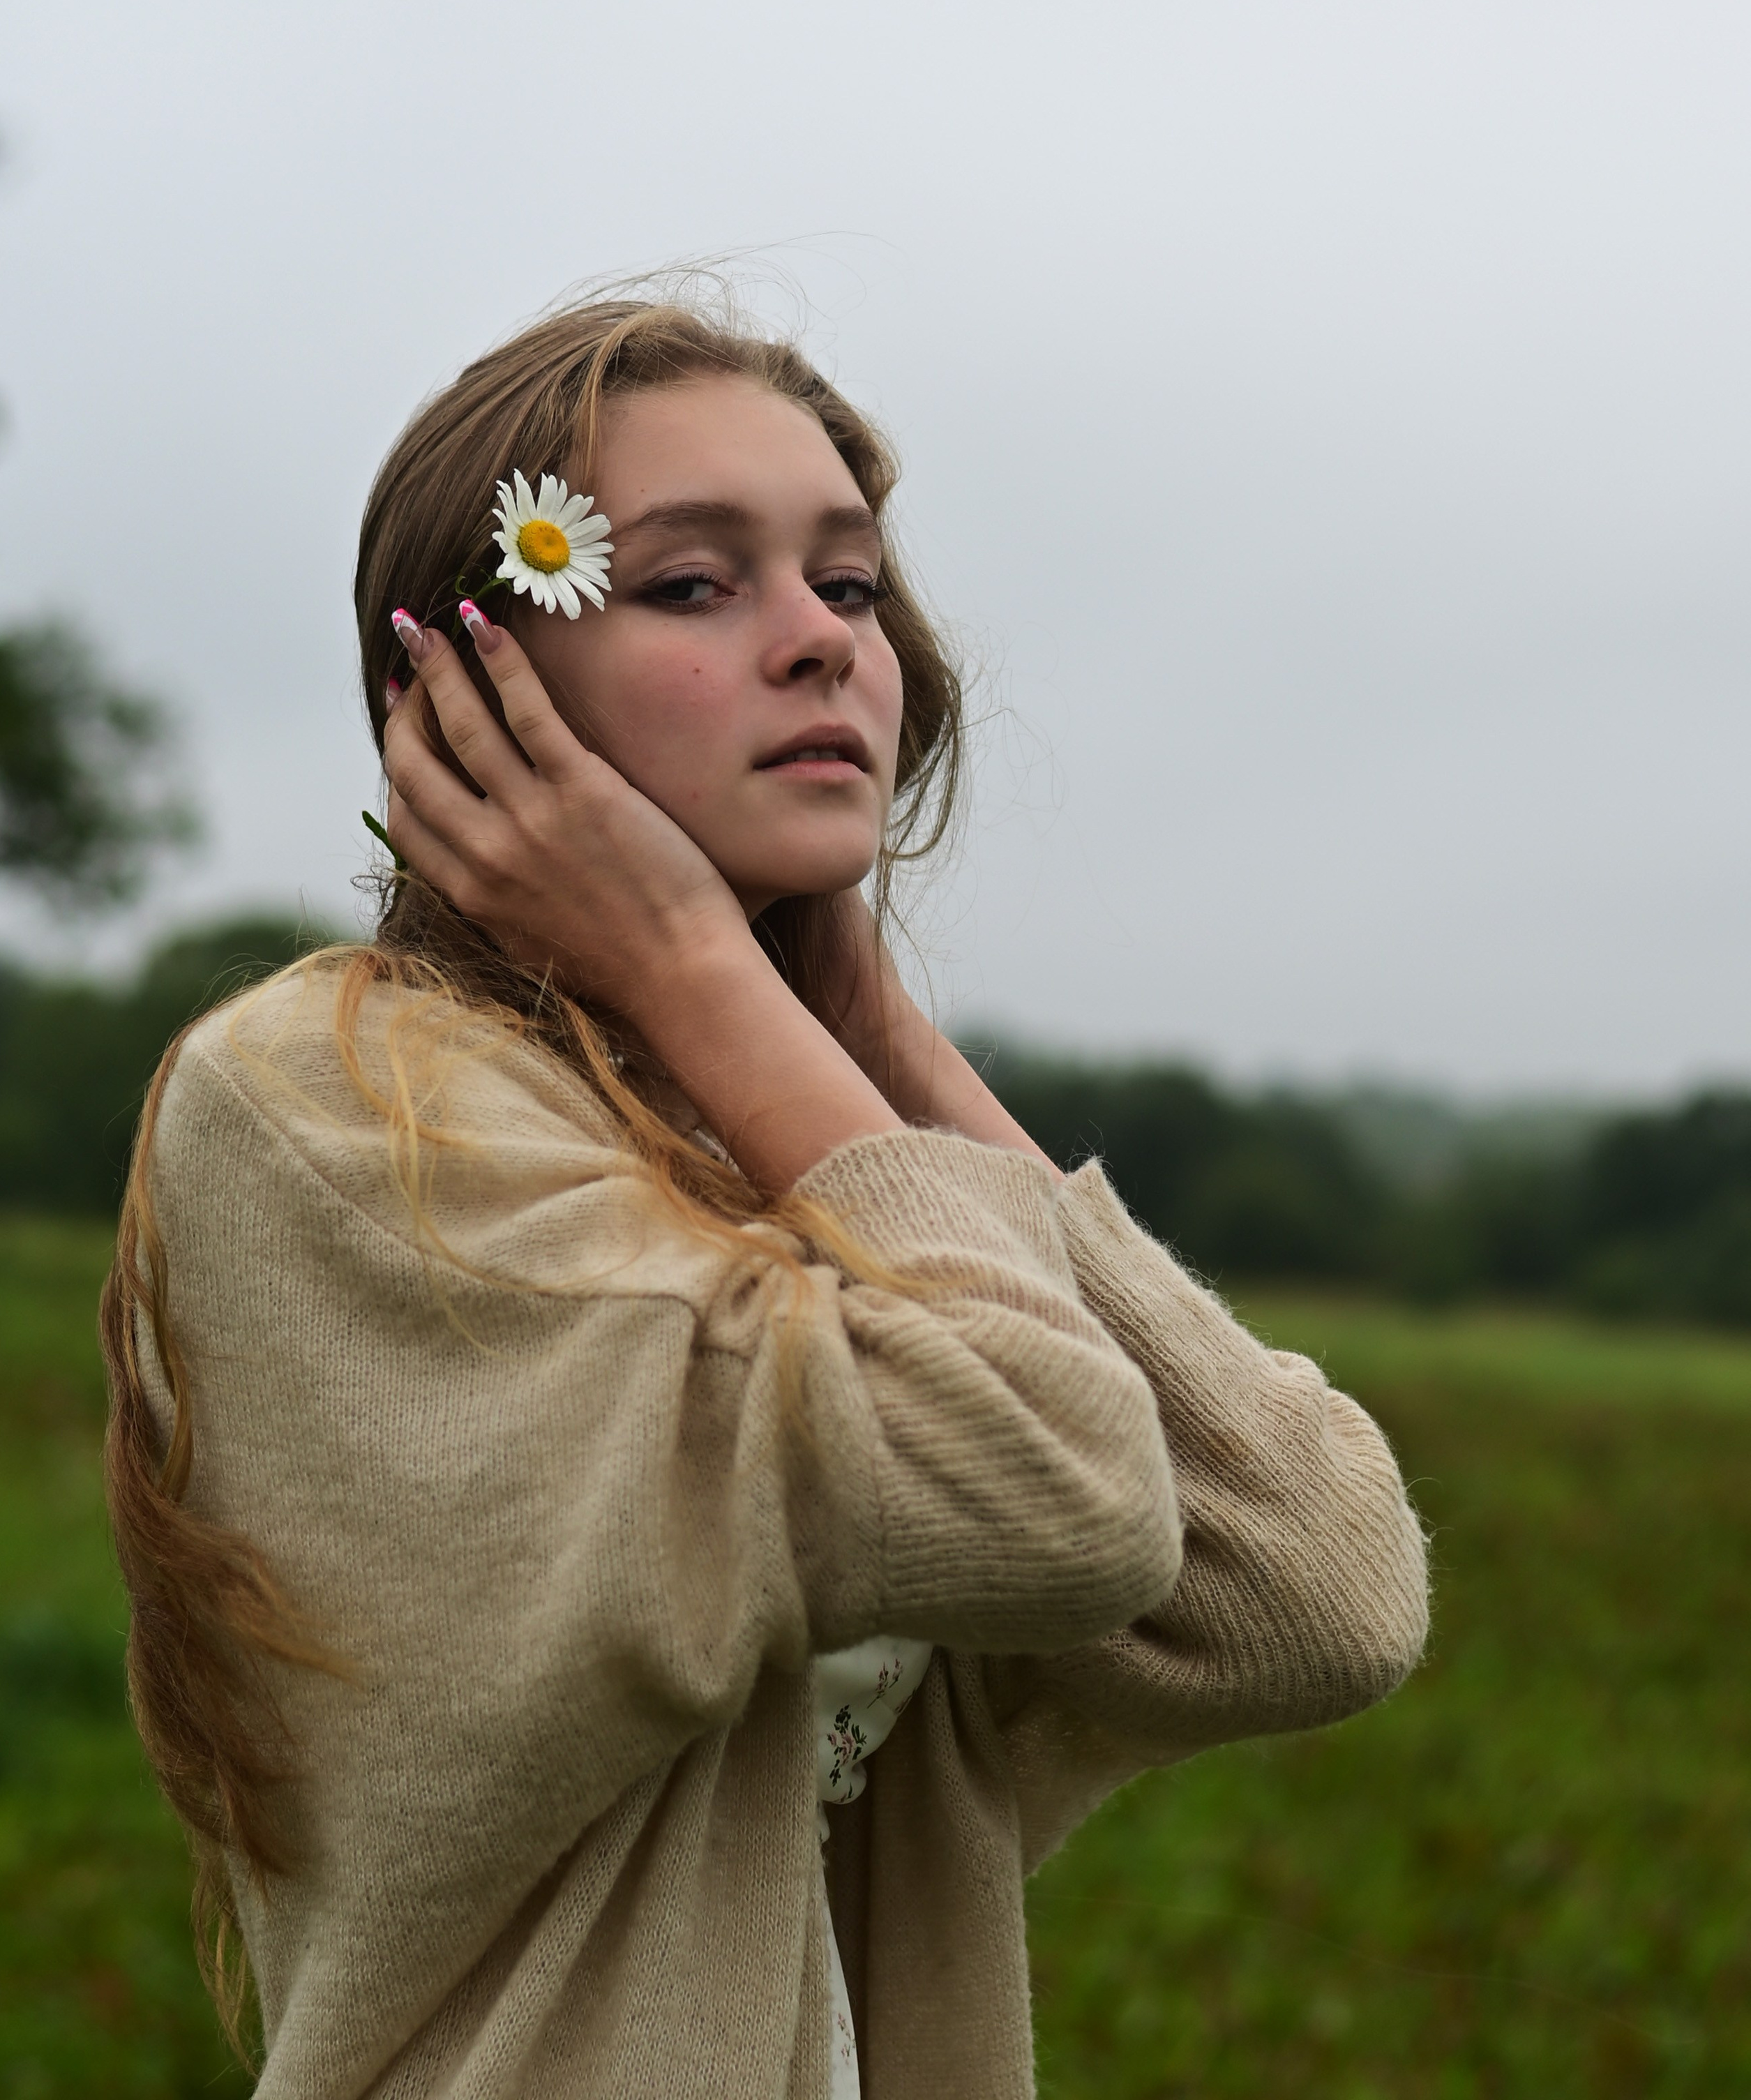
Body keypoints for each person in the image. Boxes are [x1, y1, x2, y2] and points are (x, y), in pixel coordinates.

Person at [103, 294, 1429, 2100]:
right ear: (477, 692)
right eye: (691, 583)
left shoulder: (771, 1144)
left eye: (853, 585)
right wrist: (711, 972)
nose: (820, 644)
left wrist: (874, 1025)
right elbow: (1052, 1482)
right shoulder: (338, 1101)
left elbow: (1316, 1591)